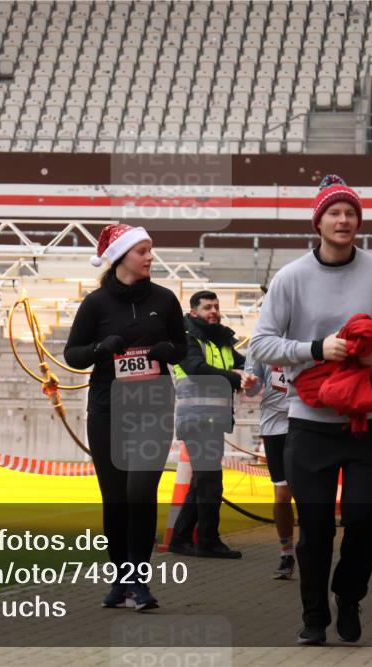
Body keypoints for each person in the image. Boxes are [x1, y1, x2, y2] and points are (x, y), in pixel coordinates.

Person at [249, 175, 372, 646]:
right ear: (318, 221)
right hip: (310, 422)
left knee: (364, 520)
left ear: (359, 221)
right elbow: (262, 343)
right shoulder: (292, 277)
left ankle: (350, 595)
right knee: (315, 529)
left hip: (368, 422)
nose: (344, 220)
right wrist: (318, 348)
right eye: (334, 213)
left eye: (351, 213)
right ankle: (314, 617)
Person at [64, 222, 187, 612]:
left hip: (153, 408)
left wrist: (167, 349)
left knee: (140, 492)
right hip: (107, 410)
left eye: (151, 250)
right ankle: (121, 579)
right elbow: (73, 354)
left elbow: (182, 347)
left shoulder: (165, 299)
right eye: (143, 251)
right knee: (115, 498)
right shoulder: (95, 304)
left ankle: (140, 580)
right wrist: (102, 347)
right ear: (121, 257)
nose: (151, 257)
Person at [167, 290, 255, 559]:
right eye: (207, 307)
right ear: (194, 312)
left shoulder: (222, 341)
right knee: (211, 483)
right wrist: (235, 377)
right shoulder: (185, 338)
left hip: (212, 421)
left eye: (216, 306)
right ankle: (208, 541)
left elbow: (246, 365)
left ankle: (181, 540)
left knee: (202, 483)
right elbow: (194, 367)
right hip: (196, 419)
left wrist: (251, 375)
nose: (214, 311)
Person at [243, 344, 295, 579]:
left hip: (309, 423)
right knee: (282, 494)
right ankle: (287, 552)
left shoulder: (312, 330)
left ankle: (313, 550)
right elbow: (252, 391)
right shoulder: (261, 343)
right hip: (275, 426)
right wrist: (250, 383)